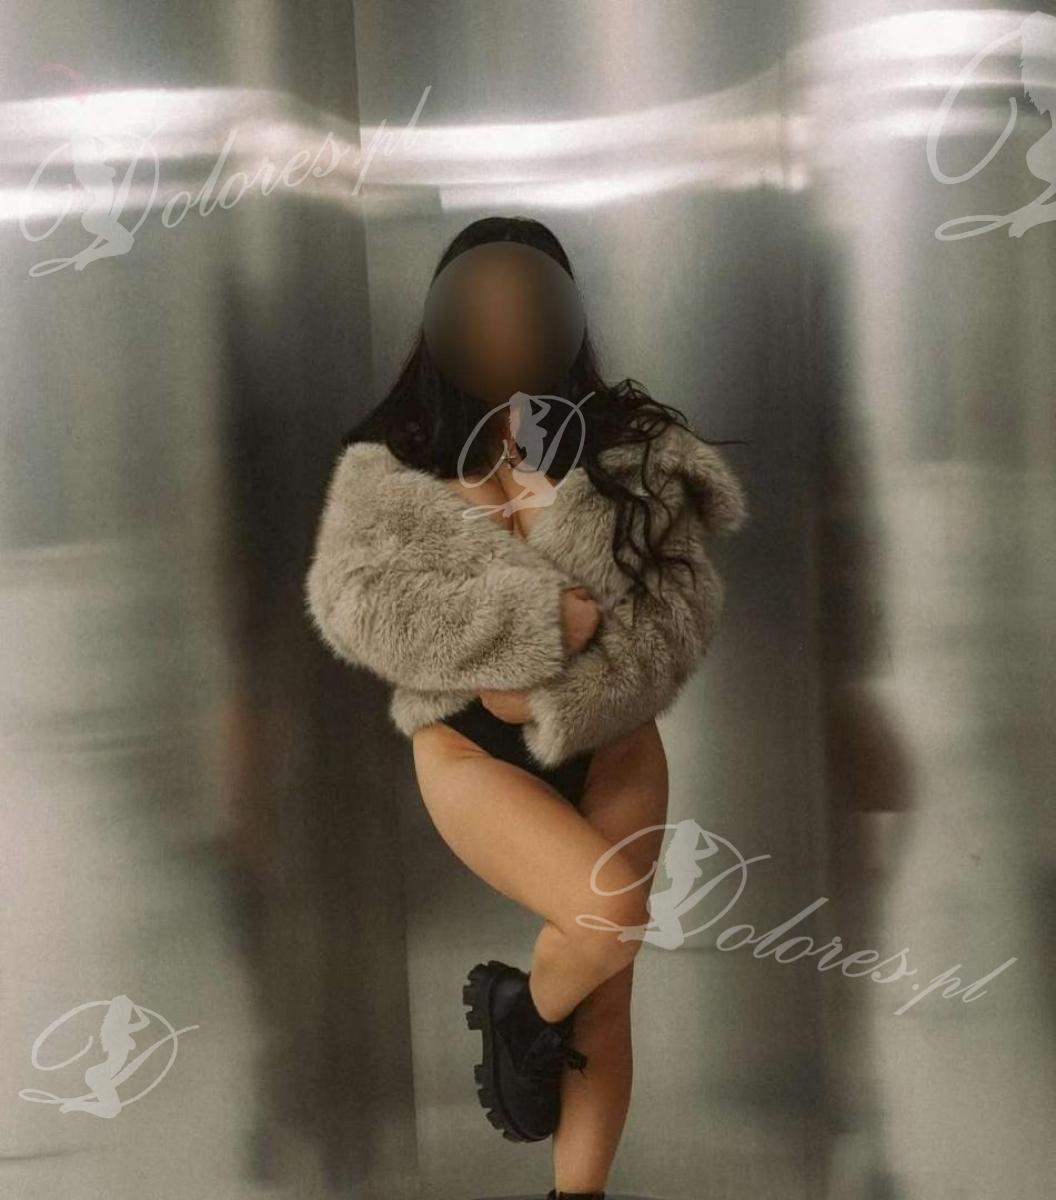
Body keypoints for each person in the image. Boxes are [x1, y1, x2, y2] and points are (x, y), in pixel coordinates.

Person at [304, 215, 749, 1200]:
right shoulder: (393, 460)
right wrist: (529, 630)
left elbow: (680, 616)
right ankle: (519, 1013)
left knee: (607, 993)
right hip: (468, 748)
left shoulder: (627, 449)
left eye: (527, 303)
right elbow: (356, 605)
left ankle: (559, 1142)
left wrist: (578, 668)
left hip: (612, 740)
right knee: (609, 919)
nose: (506, 325)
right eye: (486, 304)